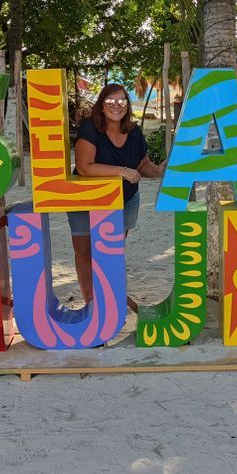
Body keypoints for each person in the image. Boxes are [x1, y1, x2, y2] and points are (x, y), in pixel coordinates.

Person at [68, 84, 164, 308]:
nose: (116, 105)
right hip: (85, 200)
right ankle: (93, 305)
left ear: (128, 105)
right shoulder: (90, 128)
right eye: (110, 101)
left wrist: (158, 171)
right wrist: (121, 170)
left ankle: (111, 299)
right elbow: (84, 167)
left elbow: (143, 166)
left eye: (121, 101)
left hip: (125, 200)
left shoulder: (134, 132)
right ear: (101, 105)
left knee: (109, 253)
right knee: (84, 253)